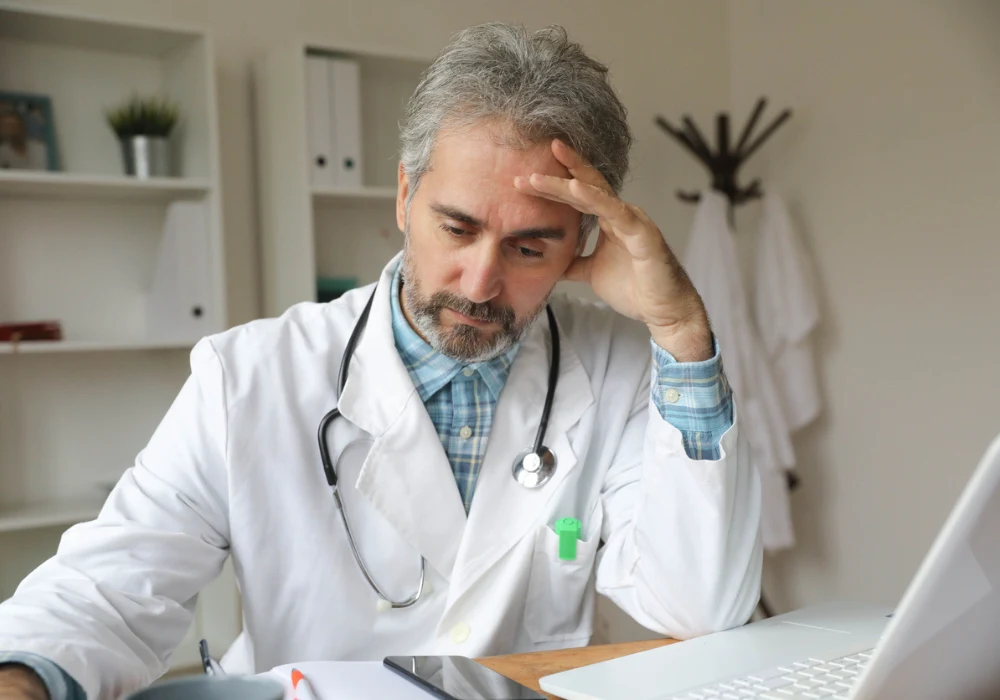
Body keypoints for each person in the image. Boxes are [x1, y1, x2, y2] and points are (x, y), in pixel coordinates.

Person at [0, 23, 761, 700]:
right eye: (456, 228)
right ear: (404, 196)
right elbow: (110, 589)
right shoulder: (249, 377)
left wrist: (682, 328)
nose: (480, 281)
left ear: (585, 245)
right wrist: (23, 676)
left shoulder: (628, 368)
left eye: (532, 247)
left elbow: (699, 606)